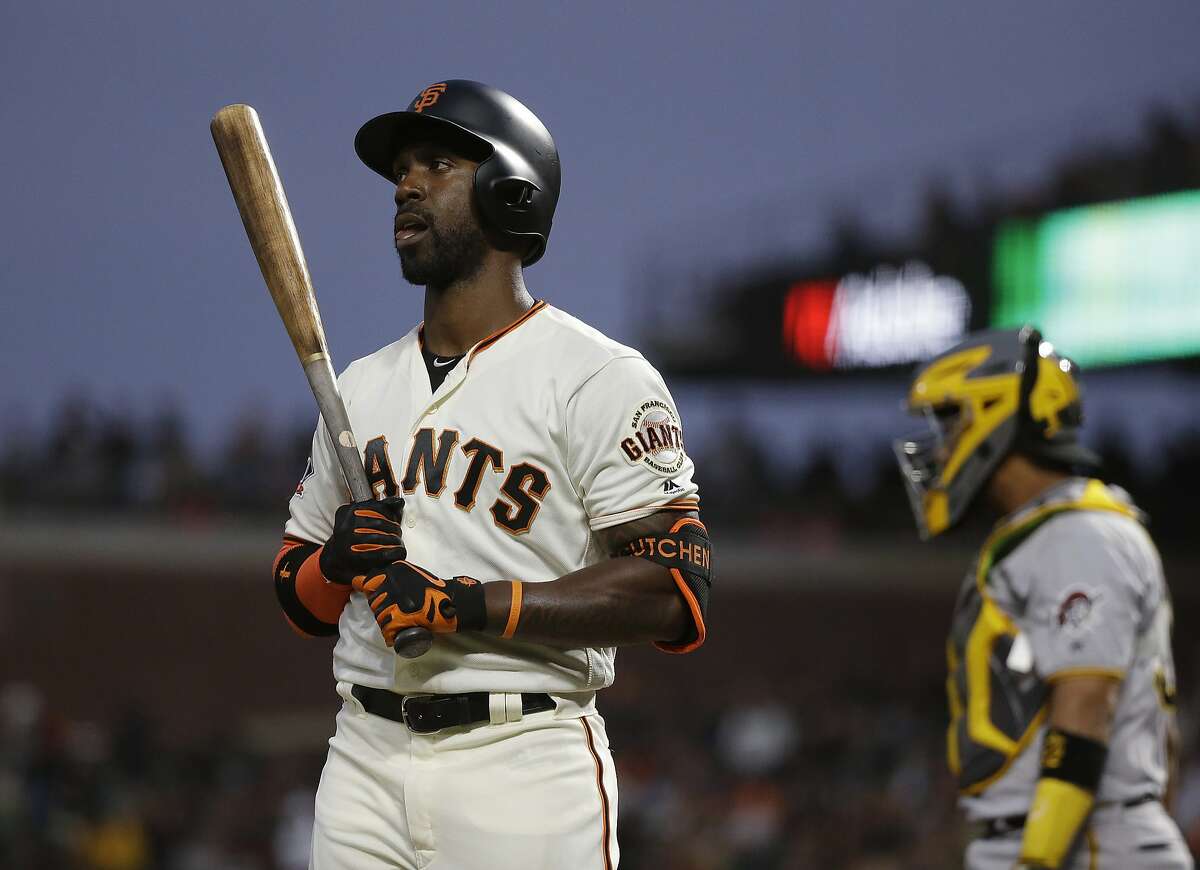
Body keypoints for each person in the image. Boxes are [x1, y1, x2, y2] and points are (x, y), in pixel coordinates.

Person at [270, 80, 711, 869]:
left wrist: (463, 604)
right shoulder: (359, 387)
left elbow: (671, 591)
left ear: (512, 191)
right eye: (401, 169)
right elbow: (296, 594)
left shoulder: (597, 376)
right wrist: (334, 564)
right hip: (363, 757)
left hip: (522, 760)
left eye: (436, 163)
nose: (405, 185)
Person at [894, 326, 1190, 869]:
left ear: (995, 413)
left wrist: (1040, 857)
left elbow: (1086, 704)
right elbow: (1161, 742)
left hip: (1080, 843)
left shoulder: (1080, 533)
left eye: (951, 419)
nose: (942, 444)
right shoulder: (1049, 532)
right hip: (1080, 837)